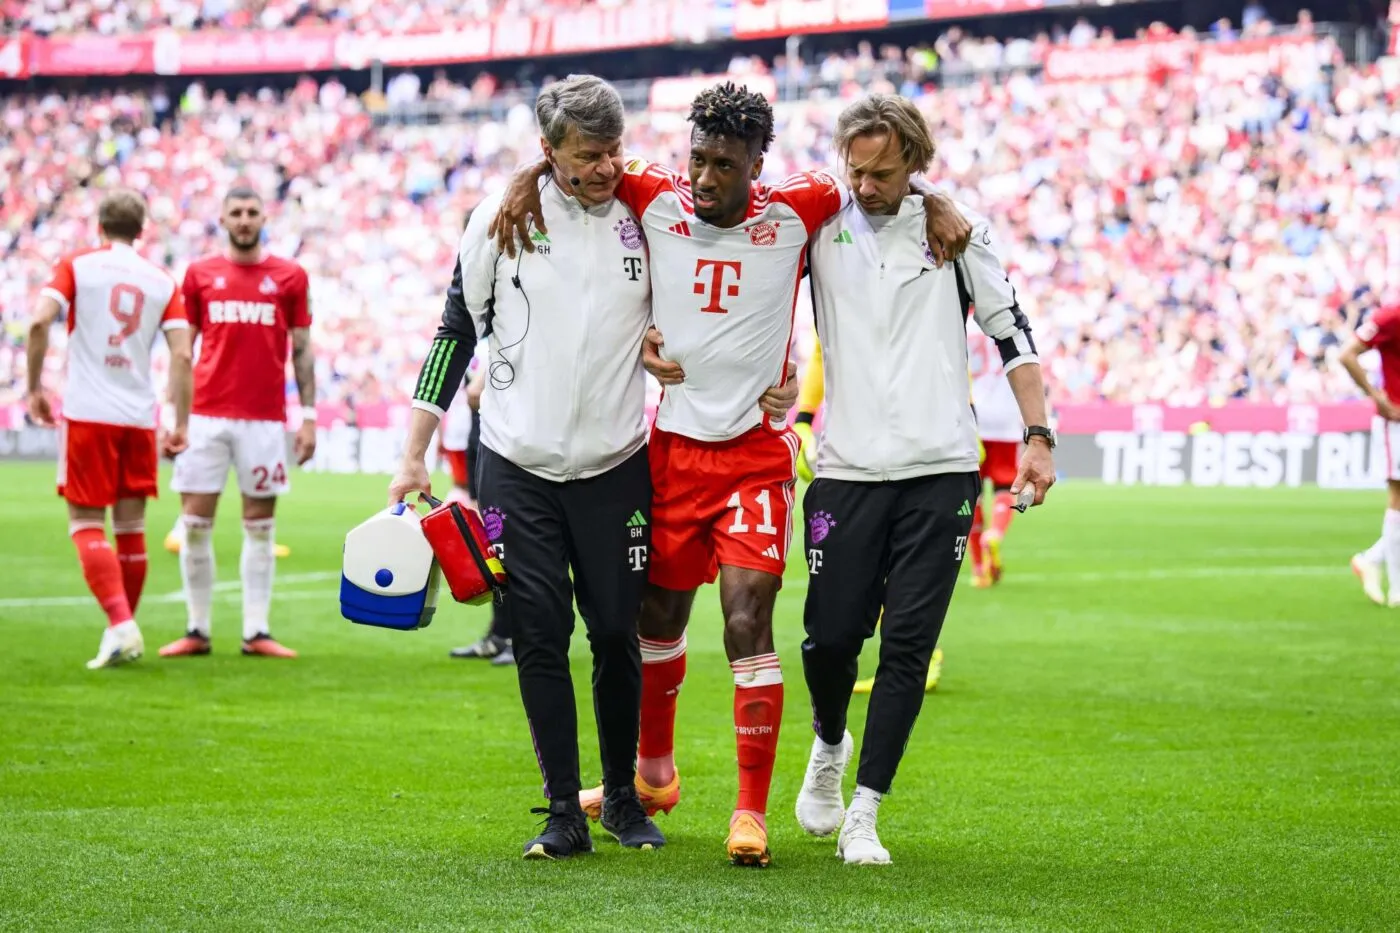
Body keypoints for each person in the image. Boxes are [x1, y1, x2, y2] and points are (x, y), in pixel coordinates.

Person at [493, 81, 972, 866]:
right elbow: (577, 162)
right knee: (657, 619)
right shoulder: (654, 193)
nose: (707, 177)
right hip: (671, 452)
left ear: (759, 162)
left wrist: (932, 195)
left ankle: (750, 812)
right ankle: (653, 778)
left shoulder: (801, 206)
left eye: (725, 163)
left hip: (754, 454)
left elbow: (879, 169)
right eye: (699, 159)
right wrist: (522, 180)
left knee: (748, 616)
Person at [388, 75, 679, 859]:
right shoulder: (500, 218)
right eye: (587, 155)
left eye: (614, 150)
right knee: (541, 634)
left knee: (616, 631)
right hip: (516, 463)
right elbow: (455, 334)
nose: (605, 168)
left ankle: (621, 796)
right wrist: (415, 450)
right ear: (548, 151)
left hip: (617, 462)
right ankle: (562, 811)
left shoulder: (650, 215)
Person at [787, 95, 1055, 864]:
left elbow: (1013, 335)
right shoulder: (817, 223)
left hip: (941, 470)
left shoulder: (959, 230)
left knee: (908, 644)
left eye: (884, 172)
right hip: (844, 470)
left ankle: (865, 811)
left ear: (916, 163)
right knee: (829, 640)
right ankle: (829, 743)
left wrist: (1038, 435)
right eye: (856, 170)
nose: (866, 186)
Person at [24, 188, 194, 669]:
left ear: (99, 224)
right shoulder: (161, 278)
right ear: (141, 231)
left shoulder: (77, 263)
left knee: (84, 524)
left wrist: (34, 387)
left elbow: (39, 323)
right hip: (138, 418)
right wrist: (179, 421)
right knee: (131, 529)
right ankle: (120, 630)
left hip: (88, 412)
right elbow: (182, 354)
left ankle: (121, 624)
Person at [158, 186, 316, 660]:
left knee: (261, 528)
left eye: (252, 212)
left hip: (265, 420)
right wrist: (174, 417)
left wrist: (307, 417)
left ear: (264, 217)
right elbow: (181, 354)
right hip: (204, 417)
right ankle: (197, 629)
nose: (245, 220)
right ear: (223, 220)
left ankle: (256, 631)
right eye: (236, 213)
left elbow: (303, 349)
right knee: (195, 525)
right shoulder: (199, 275)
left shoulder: (290, 276)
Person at [792, 340, 945, 695]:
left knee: (878, 561)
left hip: (882, 447)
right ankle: (917, 654)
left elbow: (820, 349)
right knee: (868, 565)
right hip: (861, 447)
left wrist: (805, 417)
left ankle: (917, 655)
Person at [446, 361, 517, 666]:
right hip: (484, 444)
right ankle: (501, 634)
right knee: (495, 551)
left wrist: (486, 373)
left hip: (514, 451)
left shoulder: (509, 322)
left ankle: (525, 637)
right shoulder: (476, 332)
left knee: (518, 552)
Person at [1340, 304, 1400, 606]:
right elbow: (1347, 354)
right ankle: (1398, 589)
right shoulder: (1391, 317)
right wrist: (1376, 396)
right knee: (1398, 497)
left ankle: (1371, 559)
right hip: (1396, 423)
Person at [968, 321, 1031, 587]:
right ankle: (995, 532)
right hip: (1005, 416)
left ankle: (980, 568)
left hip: (974, 414)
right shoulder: (1005, 316)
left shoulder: (959, 321)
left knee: (973, 493)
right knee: (1006, 484)